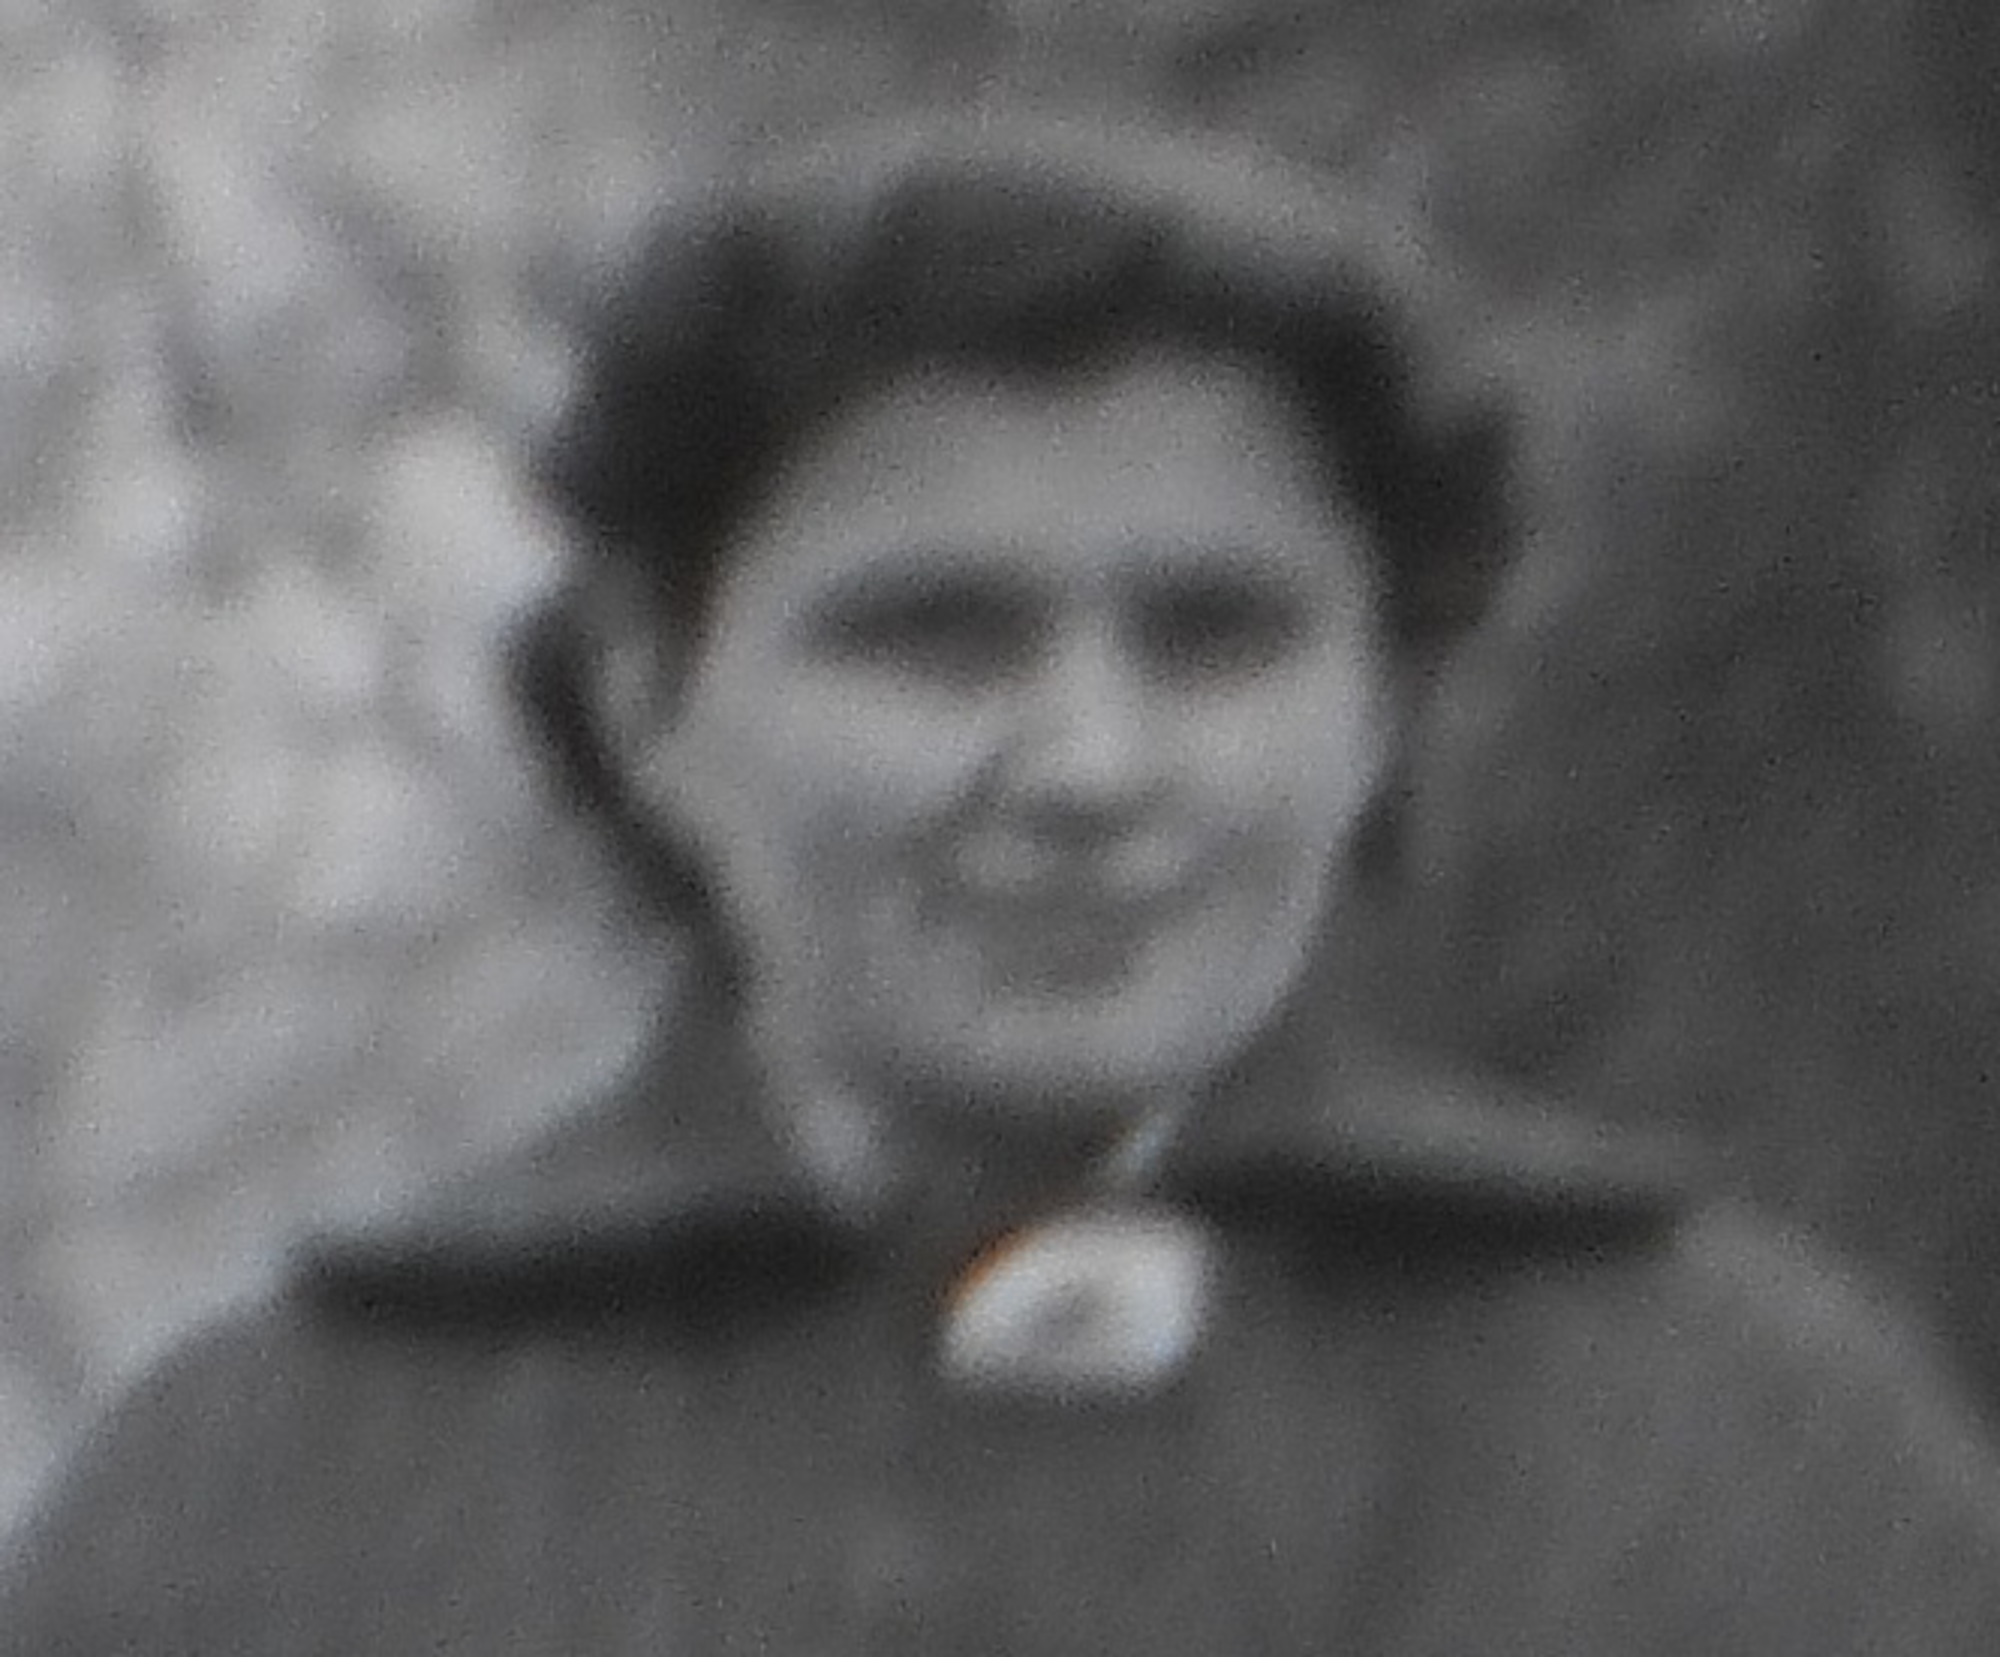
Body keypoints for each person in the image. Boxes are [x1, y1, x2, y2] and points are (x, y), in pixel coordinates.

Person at [5, 108, 2000, 1654]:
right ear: (650, 704)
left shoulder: (1751, 1452)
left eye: (1217, 638)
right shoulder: (267, 1506)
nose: (1090, 771)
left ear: (1380, 709)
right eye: (936, 638)